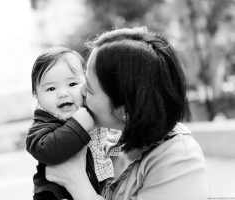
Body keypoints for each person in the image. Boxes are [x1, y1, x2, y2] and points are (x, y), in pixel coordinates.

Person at [45, 27, 209, 200]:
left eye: (91, 89)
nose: (81, 91)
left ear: (124, 110)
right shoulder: (107, 141)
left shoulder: (178, 161)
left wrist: (75, 181)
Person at [26, 47, 121, 200]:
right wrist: (78, 126)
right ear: (37, 96)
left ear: (86, 85)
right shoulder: (44, 122)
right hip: (58, 194)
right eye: (51, 88)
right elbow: (43, 148)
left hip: (97, 187)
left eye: (72, 84)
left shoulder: (91, 109)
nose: (63, 93)